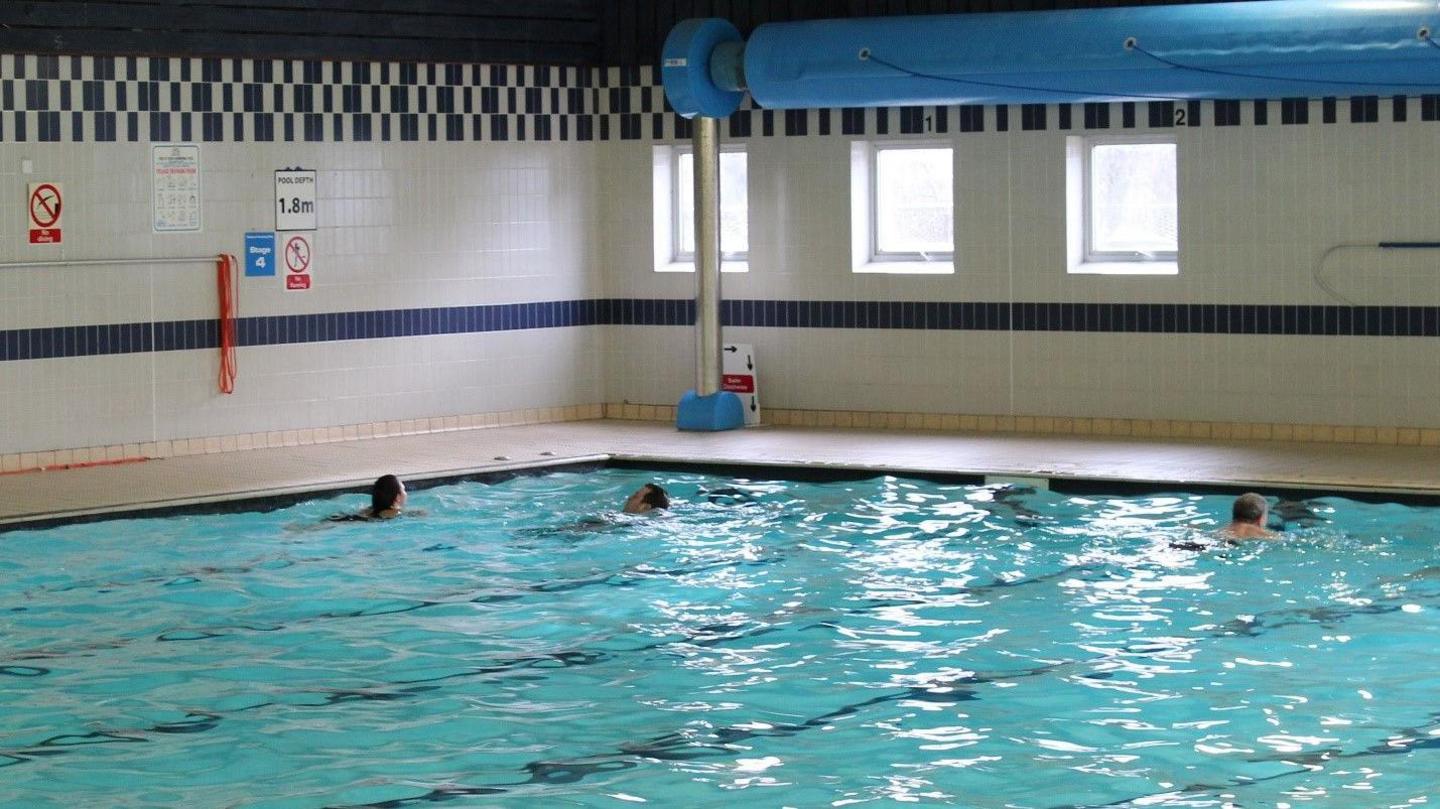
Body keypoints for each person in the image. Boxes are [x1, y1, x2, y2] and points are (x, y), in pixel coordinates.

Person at [328, 474, 408, 522]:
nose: (406, 493)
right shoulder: (395, 513)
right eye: (404, 490)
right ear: (397, 497)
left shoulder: (370, 509)